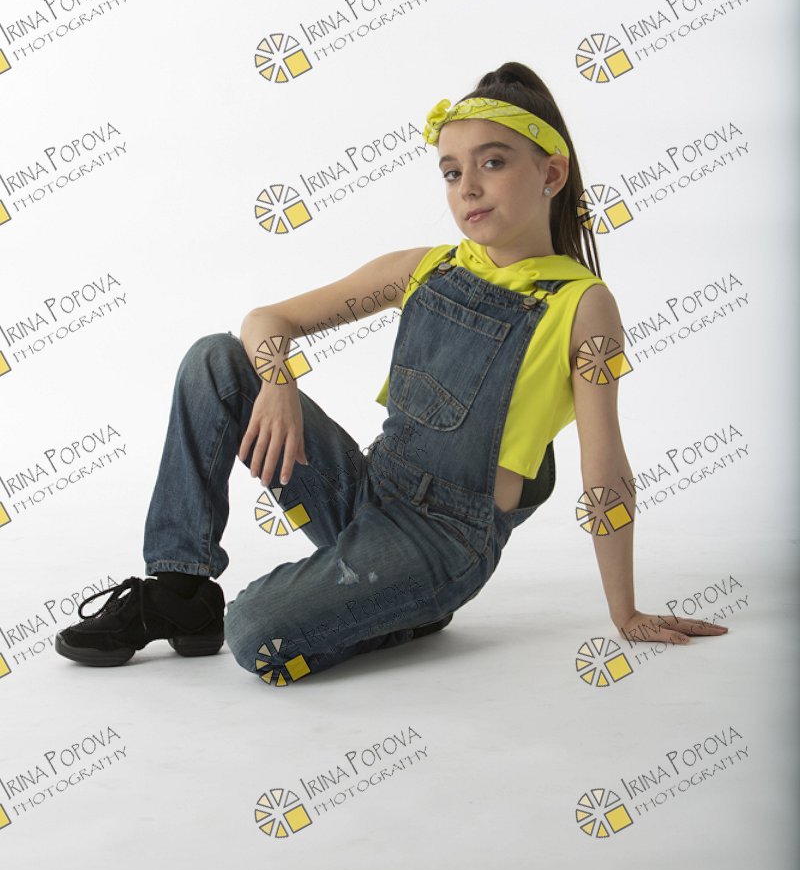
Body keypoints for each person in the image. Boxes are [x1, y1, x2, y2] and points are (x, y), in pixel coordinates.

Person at [54, 61, 728, 680]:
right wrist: (279, 380)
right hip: (369, 490)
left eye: (493, 163)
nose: (468, 187)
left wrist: (624, 611)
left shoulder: (582, 305)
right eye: (451, 172)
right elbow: (266, 319)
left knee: (255, 631)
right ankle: (179, 593)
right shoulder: (423, 269)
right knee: (216, 360)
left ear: (551, 173)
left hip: (445, 541)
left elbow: (604, 466)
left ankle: (403, 605)